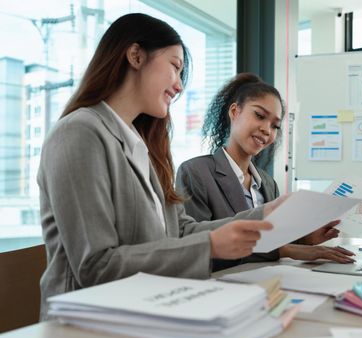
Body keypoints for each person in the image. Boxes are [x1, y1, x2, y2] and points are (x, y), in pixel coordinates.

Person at [37, 14, 283, 319]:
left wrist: (264, 216)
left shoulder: (142, 145)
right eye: (175, 67)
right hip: (88, 324)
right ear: (136, 55)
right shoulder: (79, 133)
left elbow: (179, 231)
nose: (179, 85)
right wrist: (209, 246)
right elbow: (96, 266)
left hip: (149, 310)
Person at [176, 73, 355, 271]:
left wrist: (306, 239)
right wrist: (285, 251)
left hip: (269, 280)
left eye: (275, 125)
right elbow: (197, 248)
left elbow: (272, 239)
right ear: (234, 112)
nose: (267, 130)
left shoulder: (268, 183)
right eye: (259, 116)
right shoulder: (195, 173)